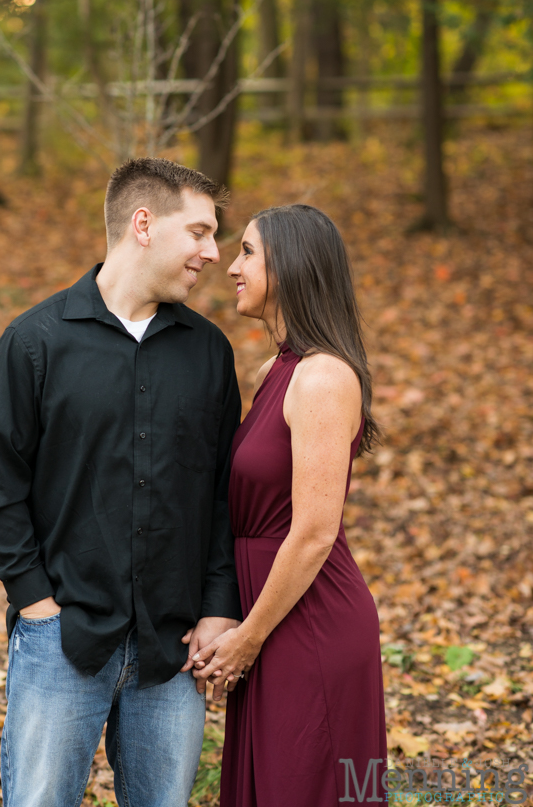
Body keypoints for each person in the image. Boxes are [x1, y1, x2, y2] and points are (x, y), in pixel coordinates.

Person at [0, 158, 243, 807]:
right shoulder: (34, 341)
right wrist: (35, 602)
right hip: (59, 639)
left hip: (171, 648)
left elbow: (222, 496)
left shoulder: (208, 352)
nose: (213, 252)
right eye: (199, 232)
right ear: (142, 224)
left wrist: (218, 602)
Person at [191, 204, 387, 807]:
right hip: (269, 616)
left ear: (293, 265)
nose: (231, 267)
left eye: (248, 251)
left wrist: (248, 635)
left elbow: (313, 533)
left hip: (310, 622)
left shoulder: (324, 377)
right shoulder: (276, 368)